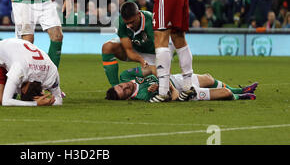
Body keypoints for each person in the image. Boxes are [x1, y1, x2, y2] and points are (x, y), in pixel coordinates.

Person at [102, 1, 169, 87]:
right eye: (127, 23)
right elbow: (128, 50)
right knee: (107, 47)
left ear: (138, 14)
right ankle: (116, 87)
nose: (129, 26)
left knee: (160, 79)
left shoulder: (151, 21)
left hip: (154, 53)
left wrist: (159, 66)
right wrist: (141, 60)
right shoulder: (119, 22)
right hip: (136, 48)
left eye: (132, 22)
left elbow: (161, 49)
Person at [0, 38, 63, 106]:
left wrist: (48, 102)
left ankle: (8, 85)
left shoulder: (51, 72)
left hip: (17, 55)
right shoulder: (20, 69)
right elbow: (5, 102)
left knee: (10, 90)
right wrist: (35, 103)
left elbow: (59, 100)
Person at [105, 66, 258, 102]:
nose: (125, 87)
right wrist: (163, 88)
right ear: (126, 97)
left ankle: (239, 89)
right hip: (182, 94)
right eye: (124, 91)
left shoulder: (126, 76)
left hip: (174, 80)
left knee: (209, 78)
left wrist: (164, 82)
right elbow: (168, 97)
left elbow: (152, 69)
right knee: (225, 94)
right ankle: (240, 96)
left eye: (120, 86)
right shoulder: (142, 95)